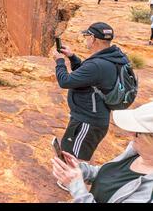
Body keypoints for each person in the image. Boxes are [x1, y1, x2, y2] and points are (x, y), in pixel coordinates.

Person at [53, 22, 129, 162]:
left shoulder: (97, 64)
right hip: (93, 117)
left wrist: (60, 62)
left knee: (73, 156)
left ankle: (73, 183)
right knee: (71, 150)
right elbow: (87, 74)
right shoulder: (111, 56)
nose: (85, 39)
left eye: (86, 36)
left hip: (87, 121)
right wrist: (72, 57)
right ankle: (72, 180)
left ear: (93, 38)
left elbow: (65, 81)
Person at [51, 101, 153, 203]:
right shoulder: (136, 153)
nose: (130, 133)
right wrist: (79, 168)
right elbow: (106, 174)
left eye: (138, 132)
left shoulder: (149, 192)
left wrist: (76, 187)